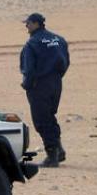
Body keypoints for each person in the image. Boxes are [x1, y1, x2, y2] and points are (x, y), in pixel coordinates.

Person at [20, 13, 70, 168]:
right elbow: (65, 61)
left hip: (39, 84)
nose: (26, 26)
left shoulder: (32, 44)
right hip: (55, 83)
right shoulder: (58, 39)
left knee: (41, 120)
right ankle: (59, 150)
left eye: (28, 23)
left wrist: (27, 85)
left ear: (36, 24)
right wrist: (56, 77)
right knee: (50, 116)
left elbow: (29, 69)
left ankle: (52, 155)